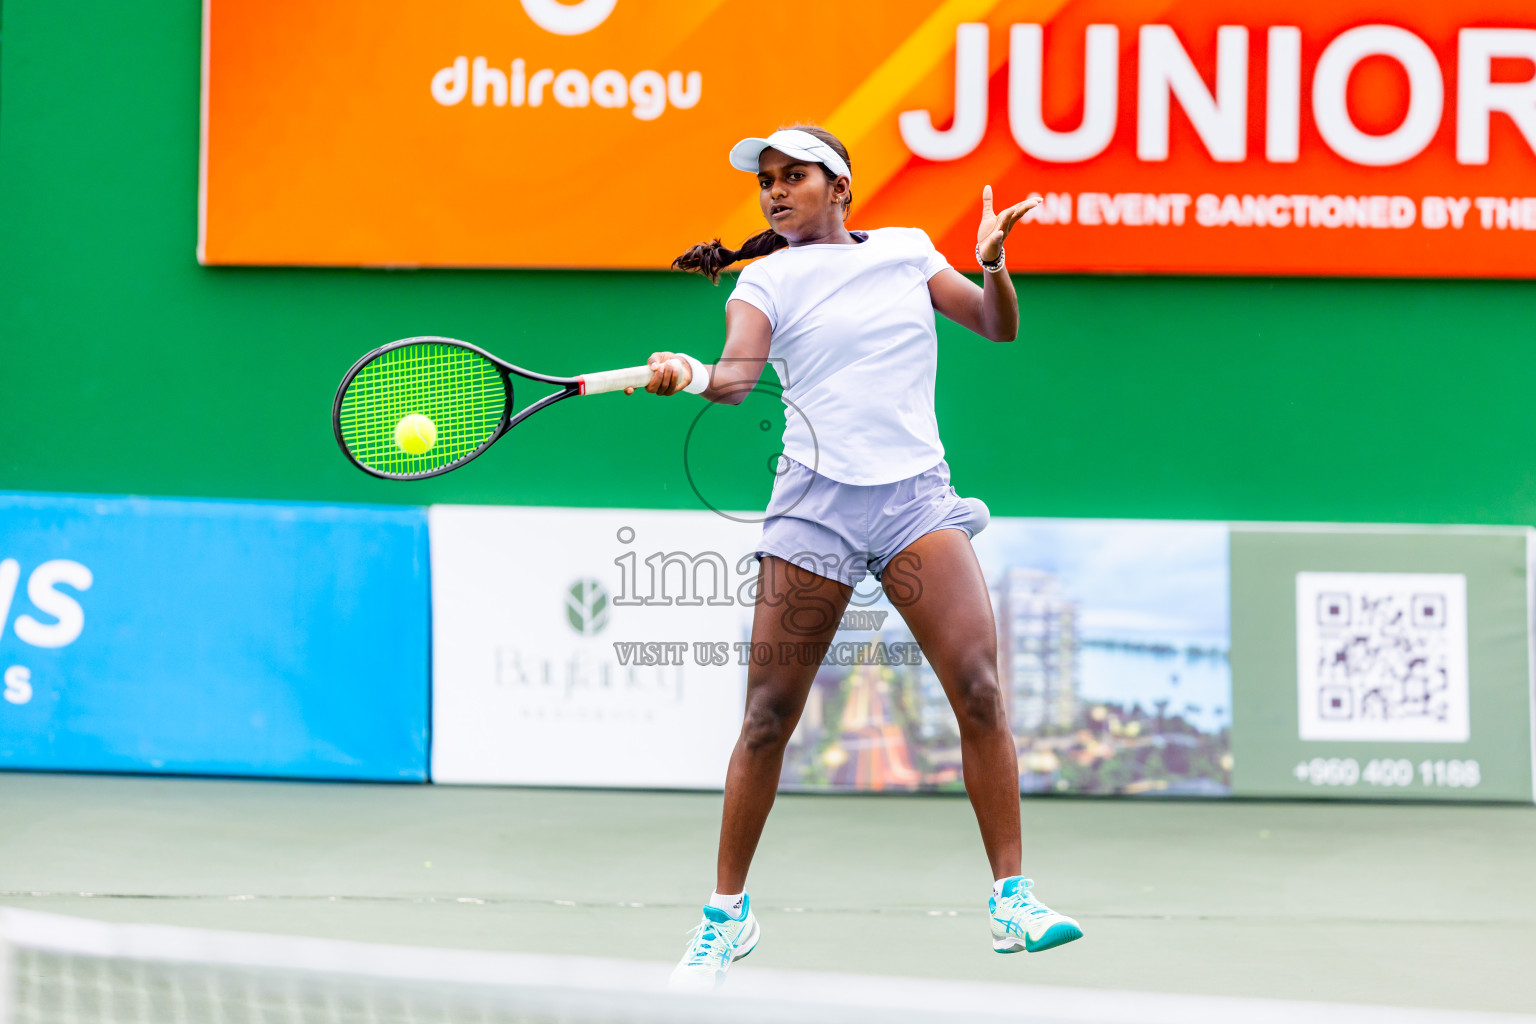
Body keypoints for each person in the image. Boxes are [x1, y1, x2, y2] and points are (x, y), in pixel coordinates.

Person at [636, 125, 1082, 991]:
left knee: (982, 690)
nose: (773, 191)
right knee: (767, 716)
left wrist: (992, 262)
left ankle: (1012, 900)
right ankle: (726, 918)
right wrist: (683, 371)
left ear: (839, 185)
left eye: (792, 175)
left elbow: (997, 327)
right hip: (815, 506)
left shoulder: (911, 252)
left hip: (915, 498)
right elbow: (734, 379)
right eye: (766, 180)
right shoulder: (765, 277)